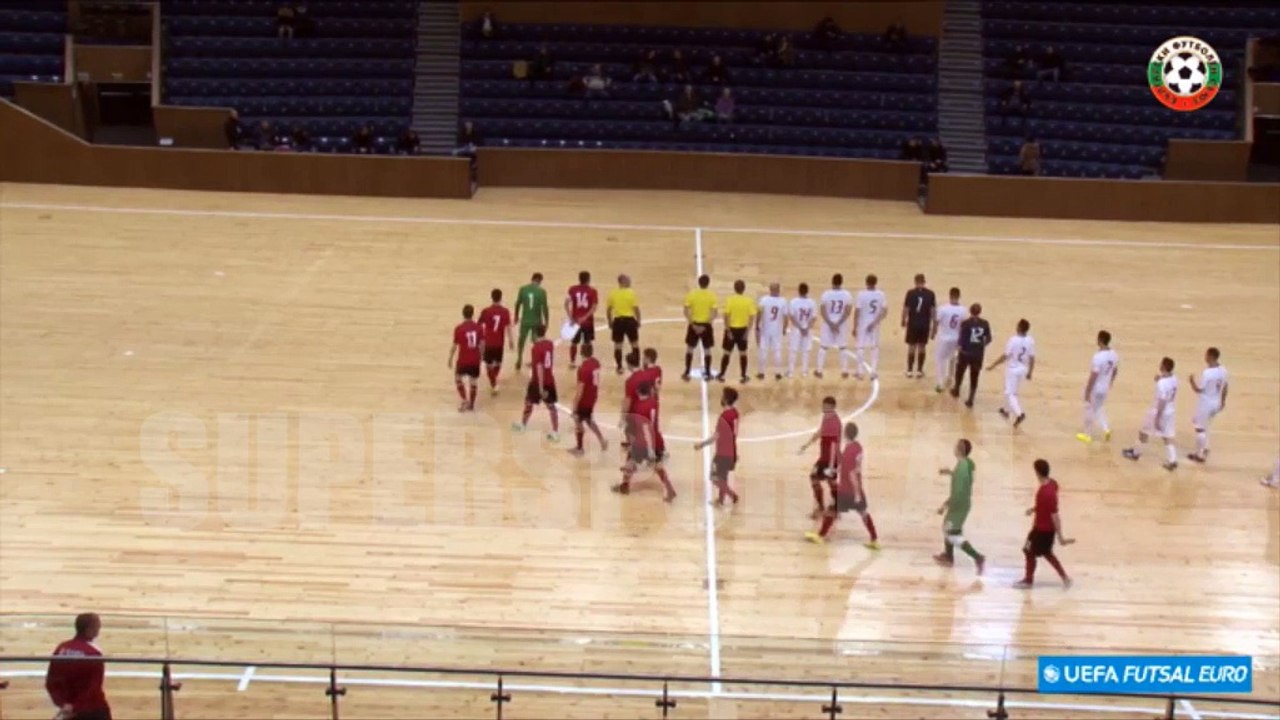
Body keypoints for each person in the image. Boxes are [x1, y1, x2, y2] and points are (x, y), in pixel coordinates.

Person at [806, 422, 879, 548]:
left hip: (847, 490)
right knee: (863, 513)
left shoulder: (849, 450)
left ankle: (820, 536)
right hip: (857, 489)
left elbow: (850, 473)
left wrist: (855, 493)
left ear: (845, 434)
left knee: (831, 510)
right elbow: (847, 466)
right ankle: (874, 540)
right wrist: (834, 471)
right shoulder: (857, 447)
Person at [1014, 459, 1074, 589]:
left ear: (1037, 472)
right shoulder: (1052, 484)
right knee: (1046, 553)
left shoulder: (1045, 493)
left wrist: (1060, 537)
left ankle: (1028, 580)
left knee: (1028, 551)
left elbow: (1055, 516)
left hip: (1042, 530)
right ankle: (1065, 578)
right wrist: (1034, 509)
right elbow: (1046, 506)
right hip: (1043, 529)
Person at [615, 381, 676, 502]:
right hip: (657, 440)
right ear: (649, 391)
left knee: (631, 460)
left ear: (638, 392)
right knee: (657, 466)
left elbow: (645, 429)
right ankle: (670, 489)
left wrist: (649, 449)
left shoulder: (639, 408)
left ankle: (625, 486)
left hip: (644, 442)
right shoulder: (654, 403)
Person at [934, 439, 986, 575]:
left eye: (956, 446)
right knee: (949, 528)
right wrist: (951, 473)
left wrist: (944, 506)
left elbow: (957, 492)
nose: (954, 447)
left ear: (959, 450)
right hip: (965, 503)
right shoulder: (968, 463)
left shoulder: (961, 468)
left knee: (951, 534)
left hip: (959, 505)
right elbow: (967, 479)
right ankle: (948, 556)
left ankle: (977, 557)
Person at [45, 613, 110, 720]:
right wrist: (75, 707)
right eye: (98, 626)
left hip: (68, 710)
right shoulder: (94, 654)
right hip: (92, 710)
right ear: (90, 629)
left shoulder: (62, 648)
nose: (99, 629)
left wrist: (63, 704)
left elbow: (51, 681)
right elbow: (94, 687)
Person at [1122, 357, 1179, 471]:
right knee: (1167, 437)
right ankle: (1172, 460)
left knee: (1143, 432)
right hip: (1170, 411)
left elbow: (1162, 400)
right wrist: (1160, 378)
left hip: (1158, 411)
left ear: (1162, 366)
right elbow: (1167, 385)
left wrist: (1157, 417)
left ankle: (1136, 453)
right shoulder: (1175, 379)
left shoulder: (1162, 384)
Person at [695, 386, 741, 506]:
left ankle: (732, 495)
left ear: (725, 400)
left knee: (714, 477)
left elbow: (716, 436)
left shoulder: (724, 417)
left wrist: (702, 444)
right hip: (731, 451)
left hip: (722, 452)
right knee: (723, 476)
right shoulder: (735, 413)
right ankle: (720, 501)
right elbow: (735, 433)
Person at [513, 325, 559, 442]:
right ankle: (555, 432)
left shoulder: (536, 348)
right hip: (550, 380)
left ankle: (523, 425)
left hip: (538, 381)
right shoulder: (550, 344)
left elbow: (539, 367)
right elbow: (545, 361)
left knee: (528, 403)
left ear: (535, 334)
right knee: (551, 406)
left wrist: (540, 387)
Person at [987, 319, 1036, 428]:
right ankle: (1006, 410)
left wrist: (993, 365)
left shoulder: (1013, 340)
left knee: (1010, 393)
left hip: (1013, 369)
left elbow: (1006, 356)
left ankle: (1019, 414)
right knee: (1014, 391)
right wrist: (1030, 372)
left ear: (1018, 327)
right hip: (1023, 368)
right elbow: (1032, 357)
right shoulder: (1030, 340)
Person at [798, 396, 841, 519]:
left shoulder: (833, 422)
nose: (823, 408)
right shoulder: (828, 418)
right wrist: (806, 445)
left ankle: (827, 507)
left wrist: (832, 464)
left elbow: (834, 444)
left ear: (831, 407)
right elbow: (820, 432)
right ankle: (830, 506)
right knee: (825, 480)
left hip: (830, 459)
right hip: (825, 458)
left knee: (819, 479)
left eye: (825, 406)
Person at [1187, 347, 1229, 464]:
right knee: (1207, 426)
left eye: (1206, 355)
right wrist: (1223, 402)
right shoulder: (1223, 370)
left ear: (1211, 356)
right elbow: (1225, 387)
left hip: (1205, 403)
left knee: (1199, 428)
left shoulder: (1207, 373)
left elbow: (1199, 389)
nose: (1205, 357)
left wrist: (1191, 381)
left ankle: (1199, 454)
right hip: (1216, 402)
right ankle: (1206, 449)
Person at [1077, 330, 1118, 443]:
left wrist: (1088, 390)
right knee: (1099, 408)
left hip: (1096, 387)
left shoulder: (1098, 357)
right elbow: (1115, 370)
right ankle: (1106, 429)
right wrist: (1110, 382)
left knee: (1089, 408)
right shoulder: (1114, 354)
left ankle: (1088, 434)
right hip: (1105, 386)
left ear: (1100, 340)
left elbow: (1094, 375)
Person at [951, 303, 992, 408]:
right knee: (974, 375)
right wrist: (981, 346)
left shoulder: (966, 323)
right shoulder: (985, 323)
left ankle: (956, 389)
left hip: (966, 352)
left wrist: (959, 348)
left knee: (960, 371)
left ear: (970, 311)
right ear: (980, 312)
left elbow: (962, 338)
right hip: (978, 353)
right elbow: (988, 339)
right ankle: (971, 398)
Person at [569, 343, 606, 456]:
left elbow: (580, 389)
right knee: (589, 420)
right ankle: (602, 441)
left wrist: (574, 405)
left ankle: (580, 448)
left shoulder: (583, 369)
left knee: (578, 421)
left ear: (581, 352)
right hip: (593, 396)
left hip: (584, 399)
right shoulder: (596, 362)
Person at [717, 279, 757, 383]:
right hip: (743, 330)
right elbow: (752, 317)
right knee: (743, 353)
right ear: (744, 289)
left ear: (735, 288)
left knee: (726, 353)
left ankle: (722, 374)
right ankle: (743, 376)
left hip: (731, 329)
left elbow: (726, 316)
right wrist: (747, 332)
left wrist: (728, 330)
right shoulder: (748, 301)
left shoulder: (730, 300)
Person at [815, 273, 854, 379]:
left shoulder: (826, 294)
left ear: (832, 282)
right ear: (841, 282)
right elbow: (848, 311)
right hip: (841, 324)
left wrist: (831, 323)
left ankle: (819, 370)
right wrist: (838, 323)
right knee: (843, 347)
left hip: (828, 324)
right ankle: (845, 371)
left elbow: (822, 311)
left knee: (823, 347)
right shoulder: (847, 295)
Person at [477, 289, 514, 395]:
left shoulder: (486, 311)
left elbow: (479, 325)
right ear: (501, 298)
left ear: (491, 297)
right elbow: (508, 327)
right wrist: (511, 340)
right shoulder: (505, 311)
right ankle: (494, 381)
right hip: (499, 343)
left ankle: (493, 383)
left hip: (488, 342)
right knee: (498, 363)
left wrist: (479, 340)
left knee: (488, 365)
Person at [682, 274, 718, 381]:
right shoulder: (711, 296)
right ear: (708, 283)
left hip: (694, 325)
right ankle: (707, 372)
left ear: (699, 282)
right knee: (707, 350)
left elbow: (686, 311)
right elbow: (714, 313)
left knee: (690, 349)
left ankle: (687, 371)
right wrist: (706, 325)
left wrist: (692, 324)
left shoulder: (692, 294)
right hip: (706, 326)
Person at [447, 304, 483, 412]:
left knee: (458, 378)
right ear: (472, 314)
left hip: (463, 360)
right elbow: (482, 344)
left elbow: (454, 346)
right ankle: (471, 404)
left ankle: (464, 399)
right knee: (473, 382)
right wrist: (481, 357)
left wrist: (450, 358)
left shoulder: (459, 329)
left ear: (463, 314)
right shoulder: (479, 328)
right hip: (475, 360)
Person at [853, 273, 887, 380]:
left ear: (866, 282)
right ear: (875, 283)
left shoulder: (861, 295)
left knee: (860, 347)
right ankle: (873, 372)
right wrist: (875, 322)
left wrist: (855, 326)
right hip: (875, 324)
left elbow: (857, 311)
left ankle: (860, 372)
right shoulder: (881, 294)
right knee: (874, 347)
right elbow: (884, 311)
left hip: (863, 323)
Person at [902, 273, 936, 379]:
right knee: (922, 347)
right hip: (924, 324)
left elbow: (906, 308)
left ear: (915, 282)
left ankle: (909, 370)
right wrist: (934, 324)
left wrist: (903, 319)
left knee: (911, 347)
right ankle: (920, 370)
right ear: (924, 282)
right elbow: (933, 310)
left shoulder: (910, 293)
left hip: (913, 323)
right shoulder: (930, 294)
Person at [561, 270, 598, 369]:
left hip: (575, 321)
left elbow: (566, 304)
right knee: (587, 342)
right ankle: (585, 361)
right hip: (588, 322)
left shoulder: (572, 289)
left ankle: (572, 362)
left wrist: (570, 317)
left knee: (574, 342)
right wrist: (585, 317)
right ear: (589, 279)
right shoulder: (592, 291)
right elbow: (594, 307)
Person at [513, 273, 548, 372]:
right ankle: (535, 360)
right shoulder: (542, 292)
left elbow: (518, 303)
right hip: (536, 320)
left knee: (522, 340)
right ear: (539, 281)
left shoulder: (523, 289)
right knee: (536, 342)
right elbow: (545, 308)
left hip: (525, 320)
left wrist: (516, 316)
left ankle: (519, 358)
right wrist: (547, 321)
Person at [606, 274, 641, 375]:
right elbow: (636, 309)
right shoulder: (631, 293)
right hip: (630, 321)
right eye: (628, 280)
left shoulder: (613, 293)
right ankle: (636, 365)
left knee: (618, 346)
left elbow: (608, 310)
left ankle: (619, 367)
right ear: (623, 281)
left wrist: (609, 321)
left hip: (618, 321)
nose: (630, 281)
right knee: (634, 343)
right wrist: (638, 320)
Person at [932, 287, 965, 393]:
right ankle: (950, 379)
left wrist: (933, 333)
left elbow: (936, 322)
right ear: (959, 296)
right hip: (956, 337)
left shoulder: (943, 309)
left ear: (950, 296)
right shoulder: (963, 310)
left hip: (944, 337)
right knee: (953, 359)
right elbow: (964, 326)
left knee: (940, 359)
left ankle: (940, 383)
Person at [755, 282, 788, 381]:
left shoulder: (764, 300)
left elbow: (759, 313)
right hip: (777, 330)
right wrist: (785, 328)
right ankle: (777, 373)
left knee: (763, 351)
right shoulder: (783, 301)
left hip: (765, 329)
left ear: (770, 289)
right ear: (778, 290)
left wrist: (757, 325)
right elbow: (786, 317)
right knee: (777, 351)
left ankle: (761, 373)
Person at [787, 282, 817, 378]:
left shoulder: (793, 302)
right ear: (807, 291)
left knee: (793, 350)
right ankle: (804, 372)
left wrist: (800, 328)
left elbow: (792, 317)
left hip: (796, 329)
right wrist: (806, 328)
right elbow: (813, 318)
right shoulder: (812, 302)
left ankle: (791, 372)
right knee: (806, 351)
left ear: (798, 291)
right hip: (808, 329)